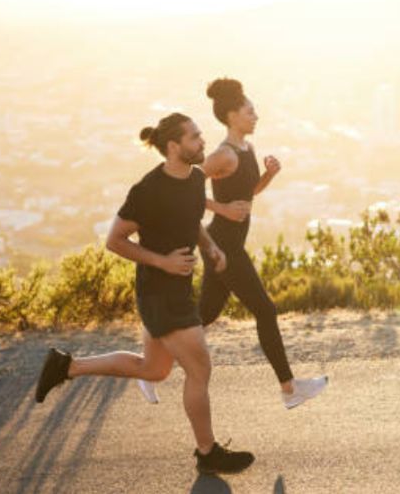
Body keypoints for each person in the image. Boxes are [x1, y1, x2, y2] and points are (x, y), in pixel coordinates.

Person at [34, 112, 255, 475]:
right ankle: (207, 451)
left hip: (176, 291)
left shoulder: (195, 177)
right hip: (160, 293)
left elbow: (192, 217)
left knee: (152, 369)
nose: (203, 142)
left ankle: (66, 367)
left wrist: (211, 247)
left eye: (201, 136)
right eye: (195, 138)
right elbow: (114, 241)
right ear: (174, 146)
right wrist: (162, 262)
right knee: (200, 369)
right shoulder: (148, 190)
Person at [137, 77, 327, 410]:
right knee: (265, 310)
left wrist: (268, 176)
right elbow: (185, 188)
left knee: (204, 314)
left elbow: (247, 191)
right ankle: (289, 388)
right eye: (250, 111)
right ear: (232, 116)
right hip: (224, 245)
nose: (256, 116)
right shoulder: (223, 155)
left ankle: (148, 368)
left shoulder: (246, 149)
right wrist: (220, 208)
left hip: (228, 243)